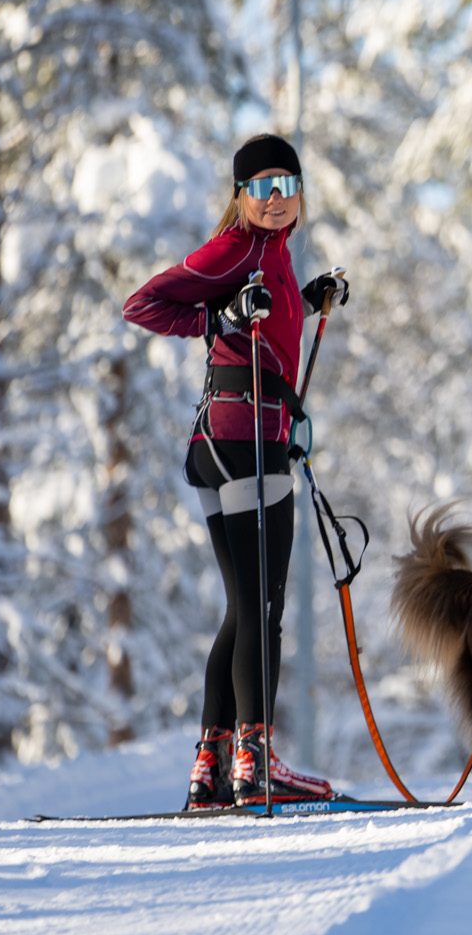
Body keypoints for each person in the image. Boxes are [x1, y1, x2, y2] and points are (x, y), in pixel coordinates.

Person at [125, 133, 349, 808]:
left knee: (245, 605)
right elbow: (145, 305)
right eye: (262, 187)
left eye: (287, 186)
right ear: (240, 196)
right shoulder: (241, 248)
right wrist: (220, 313)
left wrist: (306, 301)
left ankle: (210, 765)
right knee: (265, 605)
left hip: (222, 439)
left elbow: (257, 322)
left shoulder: (270, 257)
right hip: (247, 437)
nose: (276, 200)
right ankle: (256, 762)